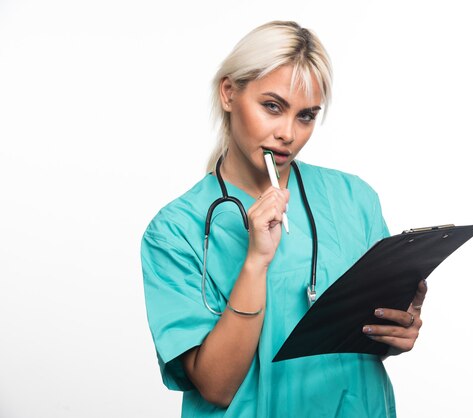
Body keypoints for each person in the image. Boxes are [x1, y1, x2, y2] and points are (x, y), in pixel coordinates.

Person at [141, 20, 427, 417]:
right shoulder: (176, 231)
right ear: (229, 93)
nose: (288, 133)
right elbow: (216, 386)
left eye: (306, 116)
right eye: (272, 107)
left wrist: (398, 330)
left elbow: (363, 341)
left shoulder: (354, 199)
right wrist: (256, 261)